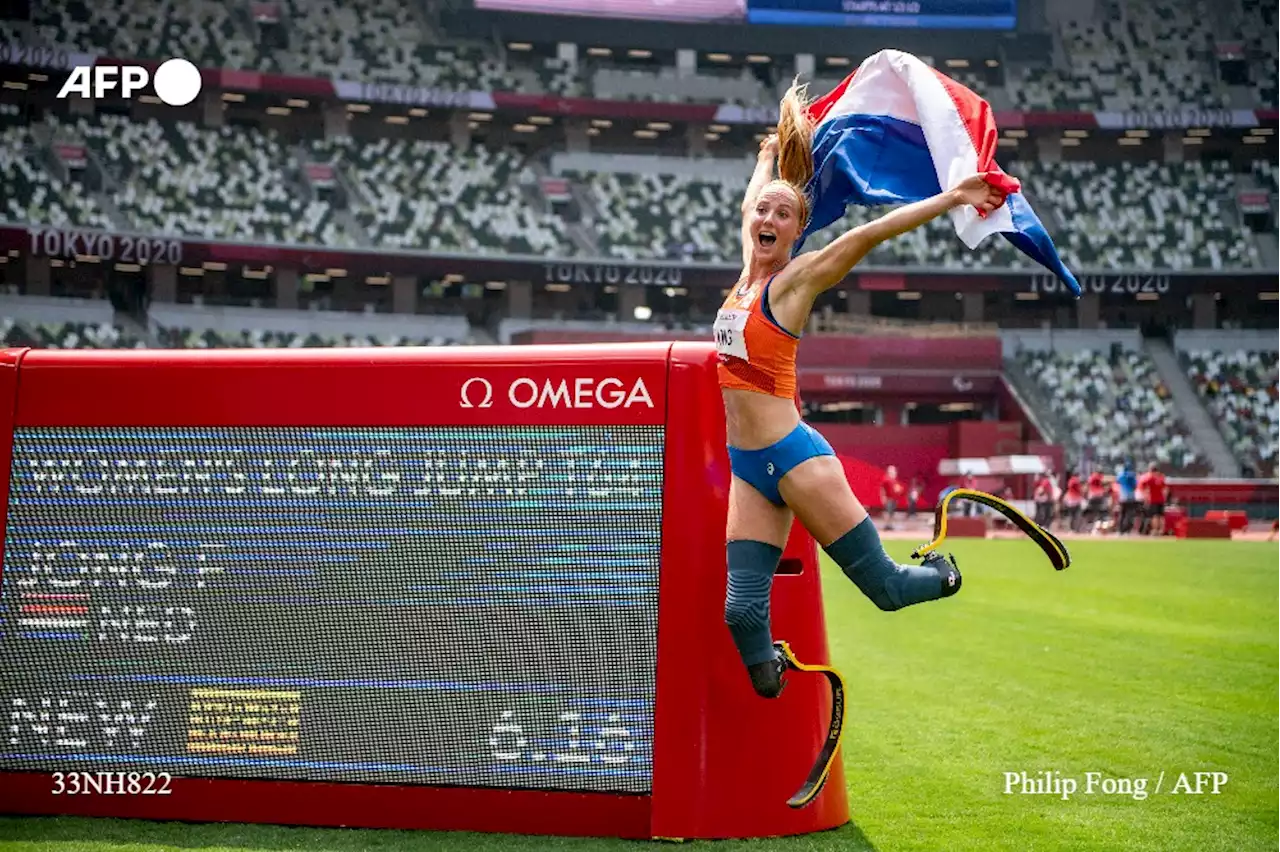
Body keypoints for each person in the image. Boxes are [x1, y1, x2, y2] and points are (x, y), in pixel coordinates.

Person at [718, 87, 1008, 698]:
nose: (766, 219)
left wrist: (953, 197)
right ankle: (778, 689)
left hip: (795, 458)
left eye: (781, 215)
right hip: (750, 471)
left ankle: (944, 576)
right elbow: (751, 199)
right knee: (742, 614)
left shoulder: (793, 283)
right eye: (762, 213)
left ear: (798, 232)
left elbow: (867, 235)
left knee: (887, 591)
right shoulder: (745, 278)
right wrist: (767, 158)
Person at [880, 465, 905, 530]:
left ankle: (889, 524)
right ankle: (886, 524)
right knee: (888, 512)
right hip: (889, 499)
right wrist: (883, 497)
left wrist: (899, 490)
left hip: (894, 499)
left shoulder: (894, 480)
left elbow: (896, 488)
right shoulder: (886, 479)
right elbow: (882, 489)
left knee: (891, 512)